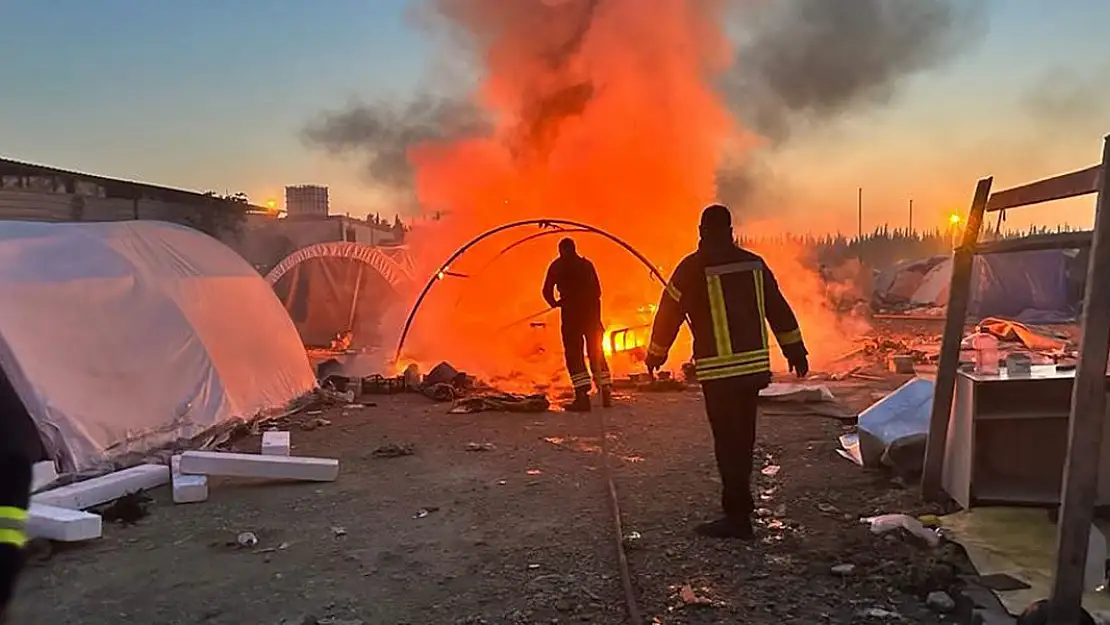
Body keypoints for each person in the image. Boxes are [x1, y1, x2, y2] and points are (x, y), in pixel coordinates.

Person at [645, 204, 809, 539]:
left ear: (701, 231)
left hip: (719, 373)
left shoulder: (691, 267)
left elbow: (669, 313)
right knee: (743, 439)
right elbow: (778, 308)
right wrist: (796, 350)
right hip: (751, 371)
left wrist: (655, 355)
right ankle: (740, 505)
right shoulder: (754, 263)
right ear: (731, 231)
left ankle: (736, 517)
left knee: (727, 442)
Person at [543, 238, 613, 411]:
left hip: (571, 317)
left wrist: (555, 302)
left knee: (574, 355)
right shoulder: (586, 265)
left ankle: (582, 397)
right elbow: (597, 292)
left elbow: (546, 290)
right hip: (591, 315)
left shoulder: (557, 266)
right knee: (596, 352)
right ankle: (605, 391)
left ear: (561, 250)